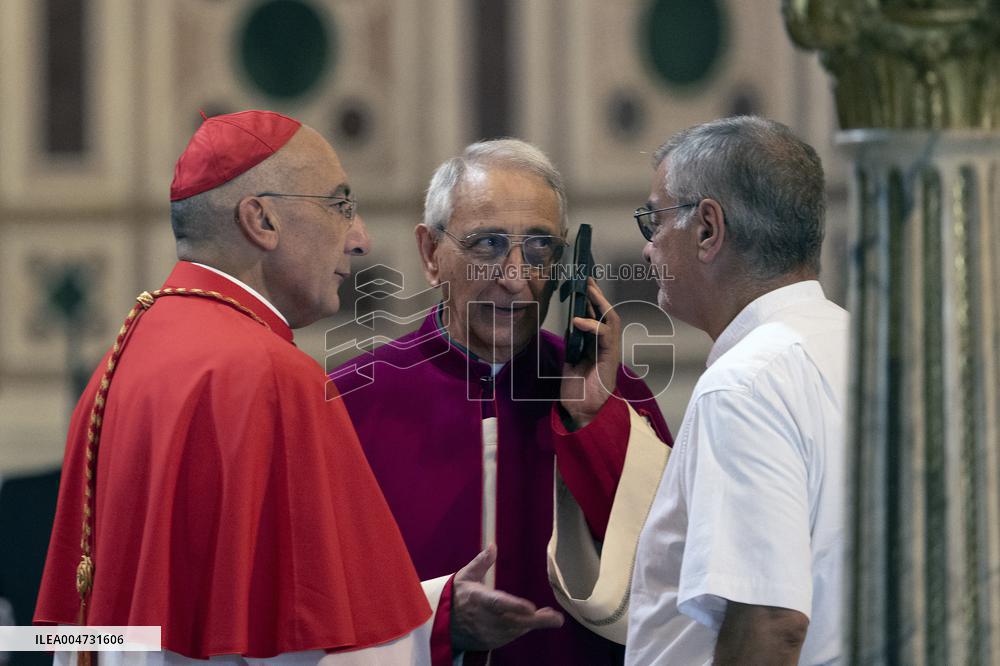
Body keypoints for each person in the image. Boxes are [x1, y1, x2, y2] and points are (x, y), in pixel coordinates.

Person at [34, 111, 556, 665]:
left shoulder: (124, 355)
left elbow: (86, 634)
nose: (360, 238)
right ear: (262, 221)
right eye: (340, 206)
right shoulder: (274, 377)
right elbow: (301, 645)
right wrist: (444, 620)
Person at [330, 139, 673, 664]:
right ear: (429, 254)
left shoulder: (617, 394)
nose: (516, 278)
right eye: (487, 245)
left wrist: (593, 423)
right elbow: (314, 596)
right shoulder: (352, 400)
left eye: (540, 248)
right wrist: (437, 620)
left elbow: (668, 574)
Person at [624, 116, 848, 665]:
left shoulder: (743, 385)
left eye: (655, 220)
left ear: (707, 229)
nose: (650, 248)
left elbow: (770, 623)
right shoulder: (861, 348)